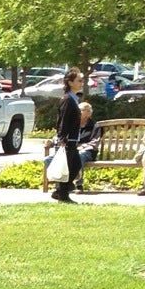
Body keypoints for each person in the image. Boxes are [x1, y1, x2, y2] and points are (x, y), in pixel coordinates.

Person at [48, 69, 84, 202]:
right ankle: (63, 195)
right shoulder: (67, 100)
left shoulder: (73, 99)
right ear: (70, 82)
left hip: (73, 139)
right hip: (68, 140)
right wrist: (62, 138)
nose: (81, 83)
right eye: (79, 80)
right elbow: (63, 120)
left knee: (75, 165)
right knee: (69, 166)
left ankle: (59, 192)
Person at [74, 98, 101, 192]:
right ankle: (62, 184)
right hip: (73, 150)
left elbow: (94, 143)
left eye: (82, 110)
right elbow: (62, 136)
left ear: (89, 113)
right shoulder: (73, 124)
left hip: (88, 152)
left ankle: (78, 185)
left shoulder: (95, 126)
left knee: (79, 155)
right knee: (49, 159)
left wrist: (82, 147)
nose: (79, 112)